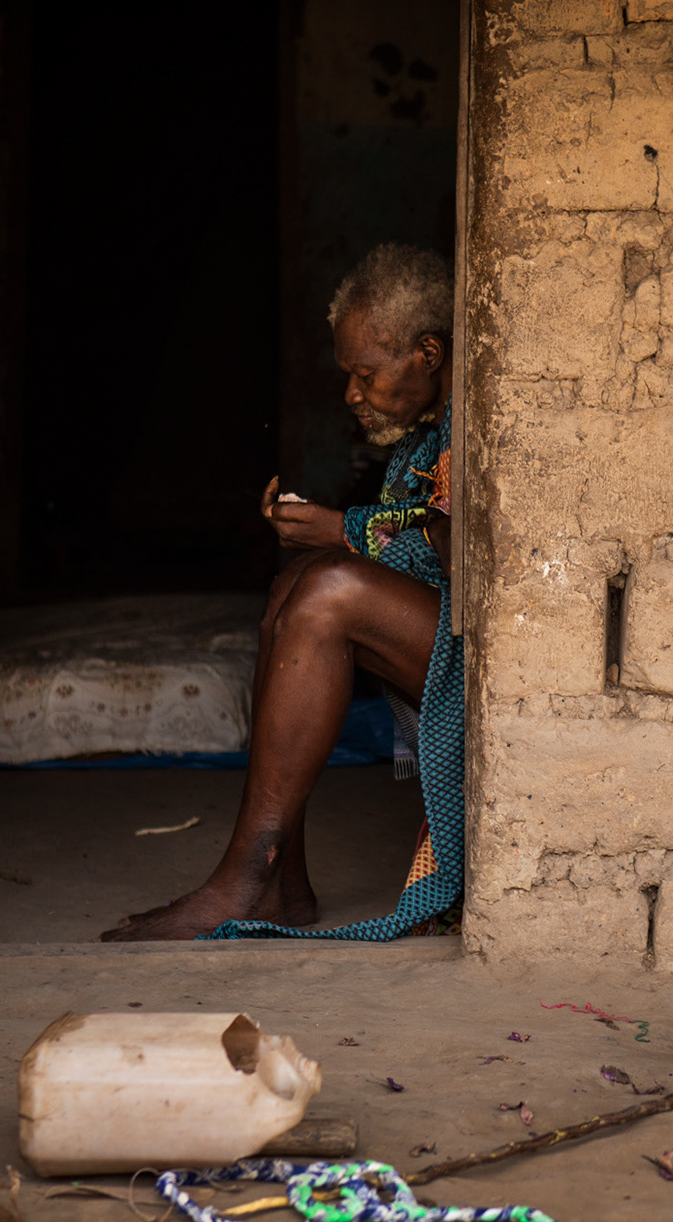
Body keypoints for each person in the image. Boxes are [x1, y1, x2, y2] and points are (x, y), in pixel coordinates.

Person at [102, 243, 462, 942]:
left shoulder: (479, 418)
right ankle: (280, 877)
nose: (352, 393)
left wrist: (342, 530)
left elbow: (463, 552)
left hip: (487, 653)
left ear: (427, 351)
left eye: (365, 373)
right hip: (438, 632)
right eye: (348, 375)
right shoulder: (425, 432)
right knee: (298, 581)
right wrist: (329, 535)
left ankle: (246, 875)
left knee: (326, 587)